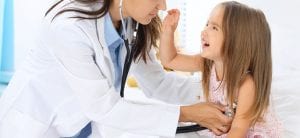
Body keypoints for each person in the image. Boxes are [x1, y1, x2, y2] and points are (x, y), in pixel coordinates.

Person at [0, 0, 231, 137]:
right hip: (35, 128)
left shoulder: (132, 23)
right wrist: (187, 113)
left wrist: (220, 90)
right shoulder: (68, 26)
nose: (162, 6)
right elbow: (103, 107)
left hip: (82, 129)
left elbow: (157, 83)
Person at [160, 1, 282, 137]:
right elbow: (170, 60)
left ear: (236, 42)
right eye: (207, 24)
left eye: (214, 28)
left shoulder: (246, 84)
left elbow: (238, 130)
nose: (203, 31)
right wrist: (168, 32)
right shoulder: (207, 63)